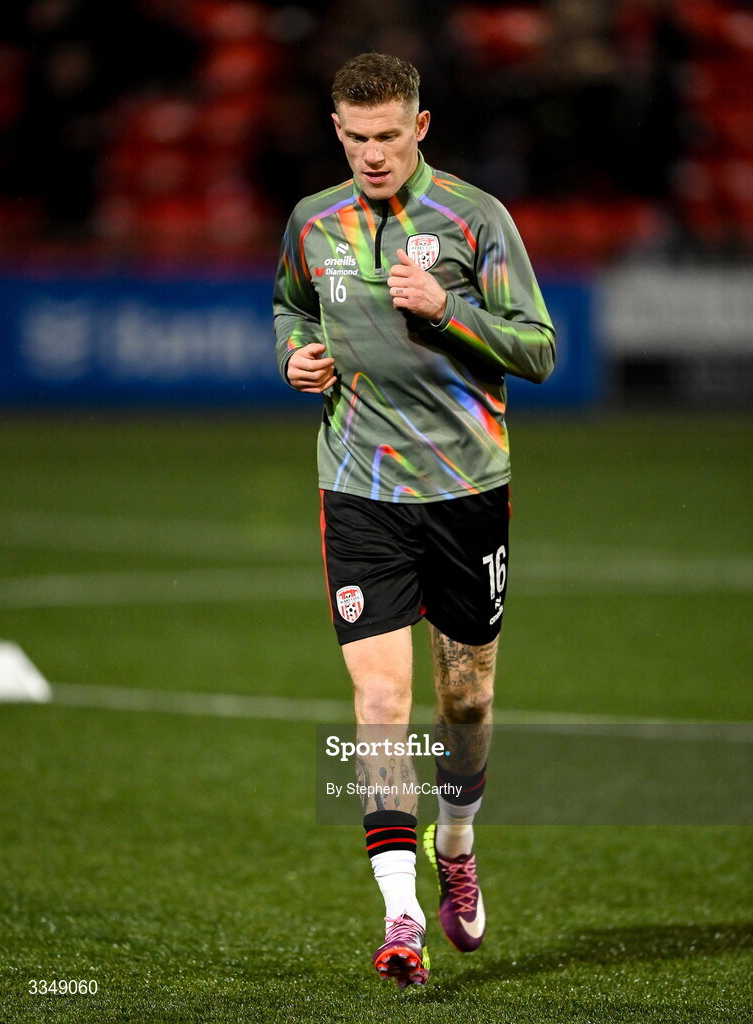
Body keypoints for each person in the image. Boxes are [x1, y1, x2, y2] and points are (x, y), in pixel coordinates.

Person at [273, 52, 555, 988]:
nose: (372, 154)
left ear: (419, 128)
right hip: (358, 490)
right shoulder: (313, 222)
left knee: (464, 702)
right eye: (355, 138)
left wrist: (449, 310)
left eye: (388, 136)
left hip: (466, 490)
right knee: (382, 705)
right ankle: (400, 917)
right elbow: (288, 305)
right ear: (337, 133)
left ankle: (460, 838)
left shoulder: (476, 220)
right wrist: (295, 357)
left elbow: (541, 349)